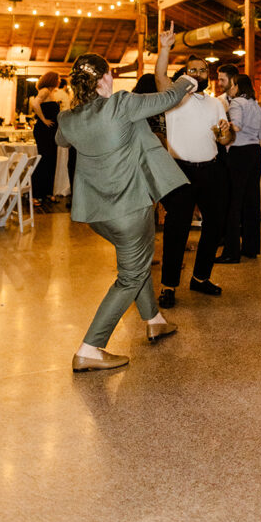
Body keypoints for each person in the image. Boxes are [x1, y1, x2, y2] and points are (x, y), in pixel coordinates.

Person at [55, 53, 197, 372]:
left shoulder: (68, 118)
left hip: (96, 214)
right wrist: (187, 80)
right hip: (129, 208)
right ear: (105, 78)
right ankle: (90, 348)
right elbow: (168, 98)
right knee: (131, 274)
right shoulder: (121, 104)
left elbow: (61, 139)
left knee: (135, 261)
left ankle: (154, 320)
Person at [155, 23, 233, 307]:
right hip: (181, 171)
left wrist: (225, 133)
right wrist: (165, 48)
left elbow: (225, 139)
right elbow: (160, 77)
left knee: (215, 225)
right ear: (185, 74)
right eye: (193, 70)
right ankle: (168, 286)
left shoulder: (215, 104)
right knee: (177, 229)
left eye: (203, 70)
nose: (199, 74)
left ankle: (200, 277)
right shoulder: (174, 98)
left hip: (211, 169)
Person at [217, 73, 261, 263]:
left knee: (234, 201)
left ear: (237, 86)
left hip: (239, 153)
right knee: (252, 200)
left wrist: (224, 125)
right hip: (255, 152)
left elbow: (236, 127)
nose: (231, 88)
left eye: (233, 85)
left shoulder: (237, 102)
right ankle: (251, 248)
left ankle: (231, 252)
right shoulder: (255, 104)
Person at [31, 71, 61, 204]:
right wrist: (43, 120)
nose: (59, 81)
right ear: (52, 79)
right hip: (44, 130)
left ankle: (47, 192)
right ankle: (35, 194)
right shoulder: (44, 91)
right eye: (58, 79)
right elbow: (35, 104)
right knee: (43, 161)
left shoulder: (51, 92)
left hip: (51, 131)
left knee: (51, 161)